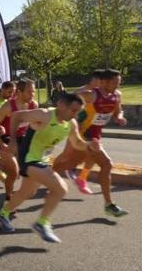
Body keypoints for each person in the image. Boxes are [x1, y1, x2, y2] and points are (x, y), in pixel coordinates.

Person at [0, 93, 98, 243]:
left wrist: (89, 146)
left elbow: (77, 143)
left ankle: (2, 214)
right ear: (62, 105)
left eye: (78, 112)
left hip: (42, 159)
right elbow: (16, 116)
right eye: (73, 110)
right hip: (29, 158)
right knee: (60, 188)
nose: (75, 114)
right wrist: (13, 141)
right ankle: (42, 223)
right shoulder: (44, 115)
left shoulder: (71, 124)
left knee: (26, 192)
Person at [53, 69, 128, 216]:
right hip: (82, 137)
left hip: (95, 137)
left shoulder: (117, 95)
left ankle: (39, 175)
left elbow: (118, 110)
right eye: (114, 82)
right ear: (104, 82)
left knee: (71, 164)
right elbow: (67, 100)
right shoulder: (91, 95)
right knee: (103, 163)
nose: (116, 86)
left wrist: (119, 117)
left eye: (118, 83)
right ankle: (40, 175)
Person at [0, 78, 38, 202]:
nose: (32, 95)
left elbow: (35, 126)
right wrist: (1, 143)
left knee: (26, 171)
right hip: (6, 139)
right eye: (29, 92)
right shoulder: (8, 106)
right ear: (19, 91)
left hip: (23, 140)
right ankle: (8, 198)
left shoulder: (33, 105)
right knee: (14, 173)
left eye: (33, 91)